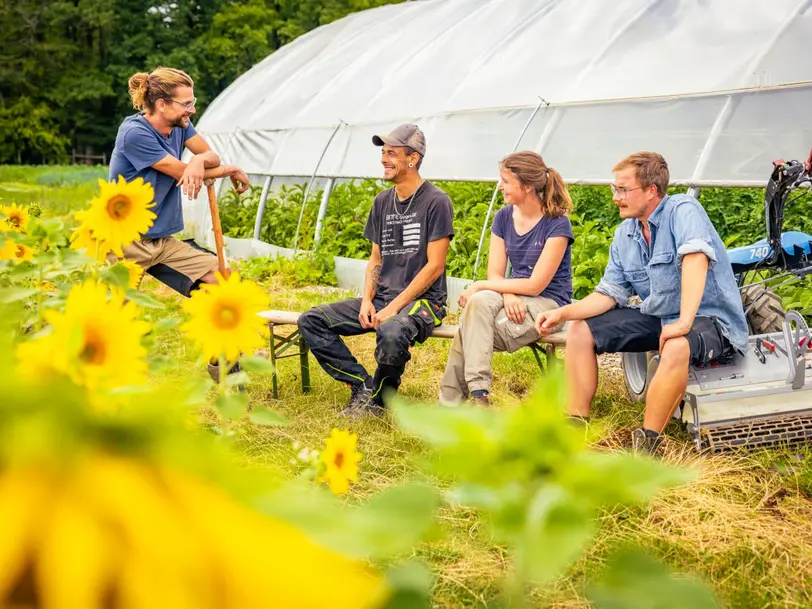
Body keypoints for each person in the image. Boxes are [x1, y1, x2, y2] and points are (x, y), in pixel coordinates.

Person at [535, 152, 749, 452]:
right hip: (660, 316)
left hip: (710, 318)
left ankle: (648, 442)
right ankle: (575, 423)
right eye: (614, 189)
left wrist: (684, 323)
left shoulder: (683, 210)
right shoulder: (626, 234)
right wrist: (563, 313)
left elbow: (695, 258)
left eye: (623, 190)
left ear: (651, 190)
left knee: (676, 343)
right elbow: (609, 294)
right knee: (580, 329)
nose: (616, 197)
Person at [297, 124, 454, 417]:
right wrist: (368, 300)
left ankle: (380, 401)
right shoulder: (382, 202)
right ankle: (363, 386)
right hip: (383, 298)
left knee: (392, 331)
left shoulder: (436, 202)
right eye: (383, 152)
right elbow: (376, 259)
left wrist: (393, 308)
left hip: (424, 303)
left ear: (413, 159)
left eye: (392, 153)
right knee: (311, 321)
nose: (384, 159)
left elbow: (435, 267)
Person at [109, 66, 251, 380]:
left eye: (193, 101)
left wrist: (201, 160)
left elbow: (209, 156)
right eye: (186, 103)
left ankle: (223, 366)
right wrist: (228, 169)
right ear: (162, 105)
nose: (192, 108)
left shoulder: (181, 125)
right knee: (108, 318)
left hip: (161, 241)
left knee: (225, 281)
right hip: (123, 241)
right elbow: (180, 172)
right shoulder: (134, 133)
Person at [439, 151, 574, 406]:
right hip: (511, 292)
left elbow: (536, 284)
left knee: (469, 328)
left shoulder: (557, 224)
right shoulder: (503, 217)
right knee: (476, 305)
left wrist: (480, 285)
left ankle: (455, 404)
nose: (500, 186)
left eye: (506, 181)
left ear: (528, 186)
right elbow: (496, 273)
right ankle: (478, 398)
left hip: (548, 303)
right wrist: (508, 294)